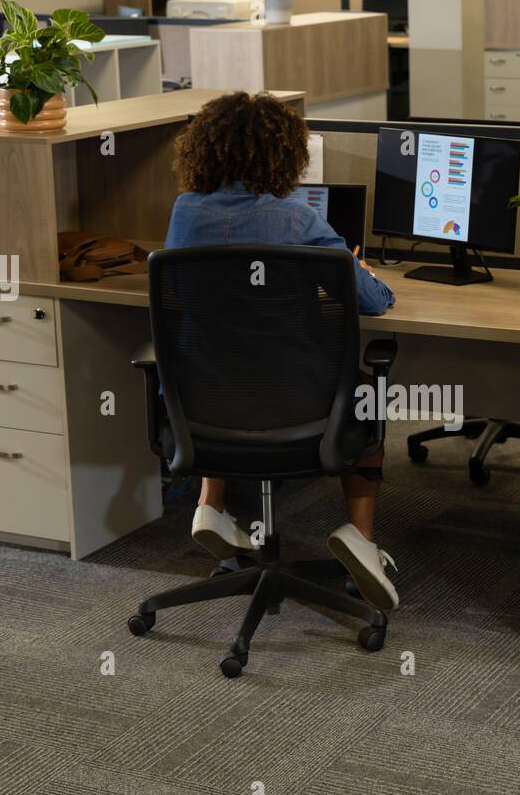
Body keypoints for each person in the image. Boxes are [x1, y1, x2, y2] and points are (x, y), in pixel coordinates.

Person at [165, 91, 399, 611]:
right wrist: (354, 268)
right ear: (285, 156)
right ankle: (361, 538)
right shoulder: (299, 221)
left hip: (205, 406)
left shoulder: (184, 215)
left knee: (224, 361)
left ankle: (211, 504)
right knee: (369, 397)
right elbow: (375, 302)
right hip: (303, 410)